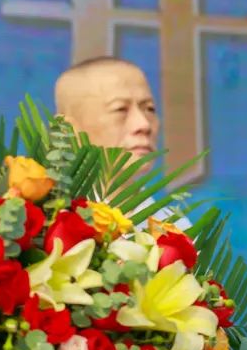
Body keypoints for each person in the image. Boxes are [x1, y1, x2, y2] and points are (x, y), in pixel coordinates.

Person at [54, 56, 188, 226]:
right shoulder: (43, 221)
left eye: (149, 109)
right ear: (69, 129)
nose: (144, 125)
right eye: (120, 109)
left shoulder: (175, 229)